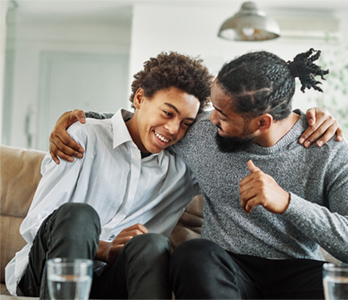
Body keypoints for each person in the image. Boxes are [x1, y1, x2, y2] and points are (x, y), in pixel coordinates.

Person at [48, 48, 348, 299]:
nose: (210, 119)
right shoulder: (201, 132)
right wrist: (77, 121)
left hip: (298, 273)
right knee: (193, 254)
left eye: (223, 115)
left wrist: (287, 202)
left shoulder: (329, 149)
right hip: (224, 269)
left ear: (263, 122)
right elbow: (141, 124)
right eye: (213, 108)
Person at [5, 51, 214, 299]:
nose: (173, 129)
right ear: (139, 98)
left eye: (186, 123)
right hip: (49, 270)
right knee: (79, 215)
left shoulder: (186, 168)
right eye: (167, 113)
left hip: (112, 281)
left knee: (154, 244)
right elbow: (37, 223)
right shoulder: (83, 136)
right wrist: (104, 249)